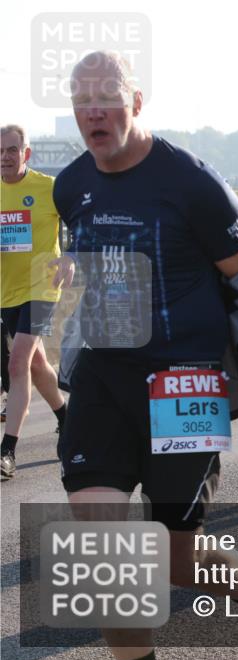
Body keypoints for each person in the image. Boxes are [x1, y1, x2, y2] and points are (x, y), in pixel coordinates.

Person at [50, 51, 238, 660]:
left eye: (106, 97)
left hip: (185, 385)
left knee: (174, 557)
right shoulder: (71, 185)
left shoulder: (193, 184)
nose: (93, 112)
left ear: (136, 102)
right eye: (81, 101)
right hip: (104, 380)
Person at [0, 124, 67, 479]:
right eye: (0, 152)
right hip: (7, 291)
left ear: (26, 153)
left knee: (18, 362)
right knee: (37, 364)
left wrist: (70, 257)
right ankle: (66, 419)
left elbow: (81, 220)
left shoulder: (48, 188)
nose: (5, 157)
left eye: (12, 150)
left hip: (43, 286)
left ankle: (7, 452)